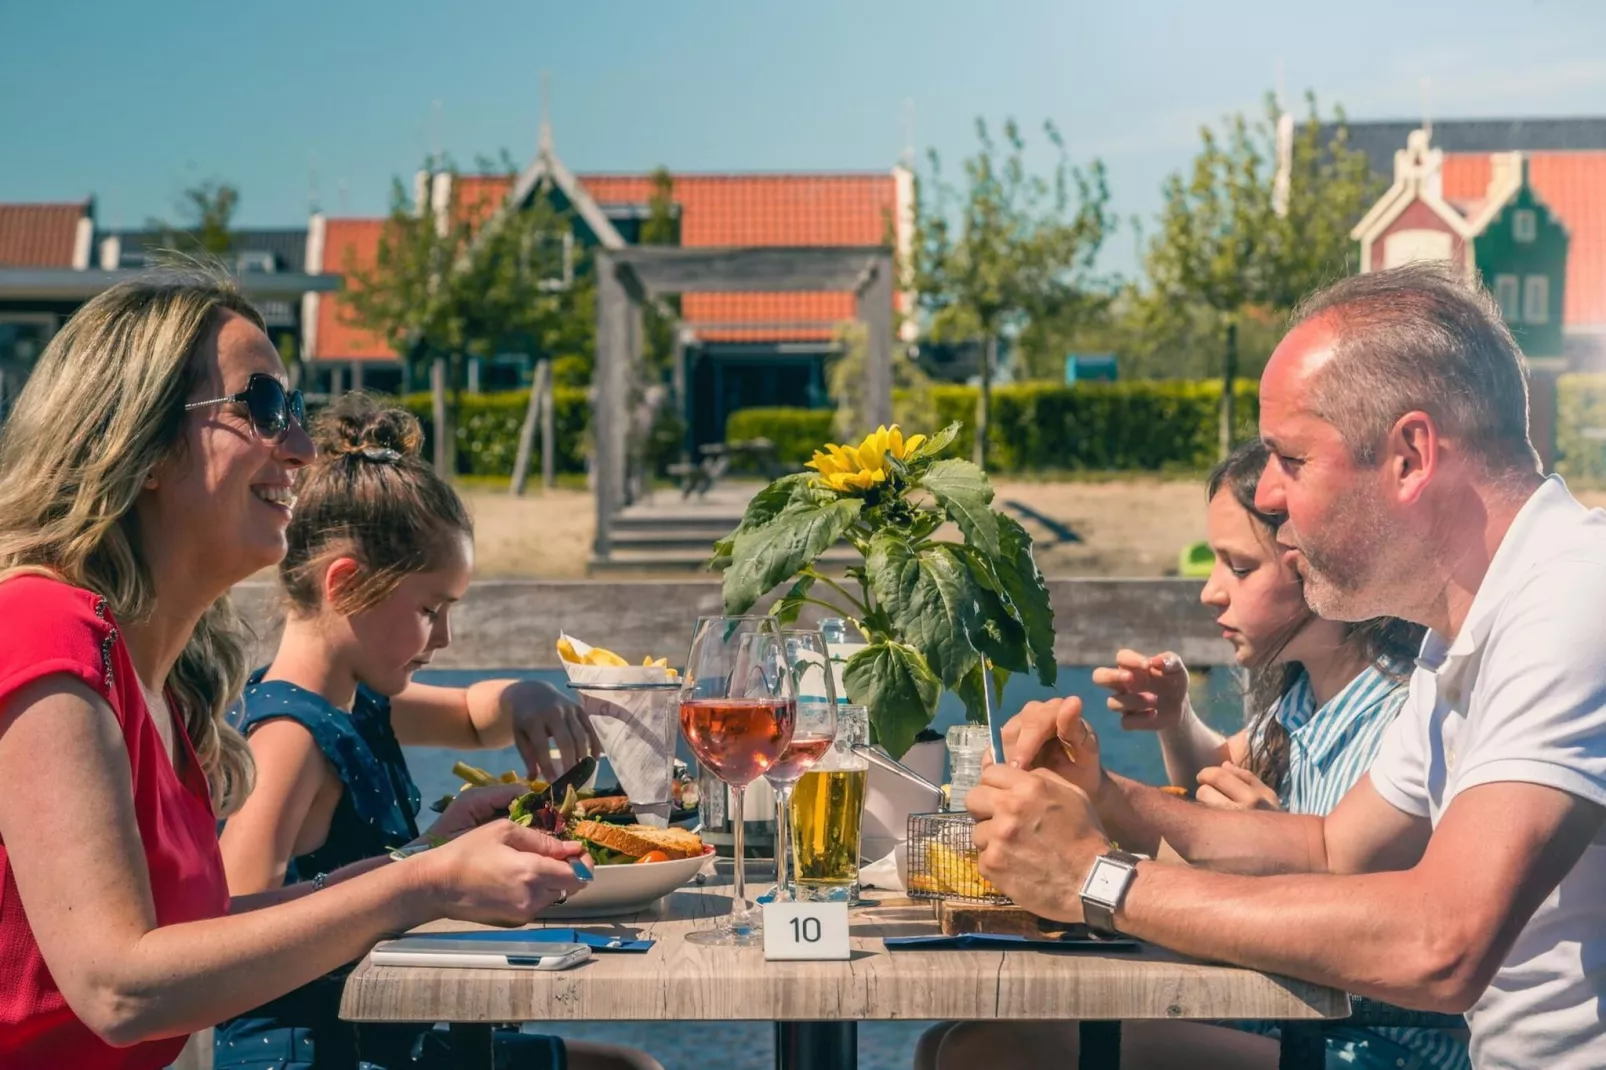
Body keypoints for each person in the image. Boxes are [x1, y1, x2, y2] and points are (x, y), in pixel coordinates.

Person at [968, 262, 1606, 1069]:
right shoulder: (1475, 622)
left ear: (1411, 455)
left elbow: (1443, 944)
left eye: (1292, 460)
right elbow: (1332, 849)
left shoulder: (1575, 598)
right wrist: (1103, 793)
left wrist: (1096, 880)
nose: (1269, 496)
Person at [0, 270, 588, 1070]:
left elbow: (204, 939)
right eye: (264, 408)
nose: (304, 448)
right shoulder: (39, 630)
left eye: (299, 413)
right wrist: (425, 886)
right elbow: (119, 987)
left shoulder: (159, 679)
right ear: (140, 446)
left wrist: (421, 860)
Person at [920, 441, 1466, 1070]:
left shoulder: (1401, 714)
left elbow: (1352, 899)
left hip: (1370, 1044)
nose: (1209, 592)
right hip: (1282, 1015)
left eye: (1238, 566)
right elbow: (1214, 787)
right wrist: (1148, 745)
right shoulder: (1300, 695)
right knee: (949, 1041)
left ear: (1318, 561)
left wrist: (1266, 853)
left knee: (989, 1049)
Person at [216, 393, 653, 1070]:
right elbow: (230, 926)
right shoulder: (288, 737)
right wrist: (425, 867)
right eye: (429, 609)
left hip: (381, 1034)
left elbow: (477, 718)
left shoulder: (356, 702)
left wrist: (525, 694)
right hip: (315, 1052)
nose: (444, 638)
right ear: (346, 585)